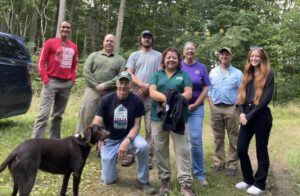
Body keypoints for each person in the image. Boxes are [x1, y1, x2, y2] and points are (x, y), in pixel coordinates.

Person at [92, 71, 156, 194]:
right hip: (109, 139)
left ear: (131, 85)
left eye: (126, 83)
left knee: (143, 146)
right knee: (108, 180)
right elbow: (97, 122)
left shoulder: (137, 100)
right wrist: (98, 139)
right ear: (116, 83)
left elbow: (137, 125)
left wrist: (126, 141)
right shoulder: (106, 99)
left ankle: (142, 180)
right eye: (121, 82)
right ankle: (112, 162)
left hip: (129, 137)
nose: (123, 86)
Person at [149, 48, 195, 196]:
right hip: (159, 118)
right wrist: (167, 100)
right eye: (168, 57)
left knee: (183, 150)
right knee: (160, 149)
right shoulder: (157, 75)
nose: (171, 60)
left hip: (179, 118)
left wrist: (172, 102)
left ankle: (186, 184)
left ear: (178, 60)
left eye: (174, 58)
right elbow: (152, 92)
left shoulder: (184, 75)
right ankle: (165, 181)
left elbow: (187, 94)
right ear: (164, 60)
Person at [235, 47, 274, 195]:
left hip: (261, 118)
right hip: (246, 117)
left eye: (257, 56)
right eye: (252, 56)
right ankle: (248, 179)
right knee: (241, 148)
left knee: (261, 150)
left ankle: (259, 183)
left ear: (262, 58)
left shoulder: (268, 74)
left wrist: (248, 116)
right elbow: (241, 99)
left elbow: (265, 100)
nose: (254, 58)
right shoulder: (247, 74)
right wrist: (241, 113)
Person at [32, 21, 78, 139]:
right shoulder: (50, 43)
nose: (65, 29)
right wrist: (46, 80)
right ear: (59, 29)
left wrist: (72, 80)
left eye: (68, 28)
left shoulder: (74, 46)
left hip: (66, 84)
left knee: (58, 116)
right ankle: (36, 143)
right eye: (63, 27)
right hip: (51, 82)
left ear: (70, 30)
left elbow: (74, 65)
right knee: (43, 115)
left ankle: (55, 142)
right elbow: (41, 62)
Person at [75, 34, 126, 134]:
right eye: (107, 40)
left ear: (115, 44)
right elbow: (86, 71)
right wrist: (96, 85)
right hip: (92, 90)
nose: (109, 43)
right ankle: (79, 139)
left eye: (111, 41)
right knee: (85, 114)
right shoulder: (94, 55)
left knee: (107, 118)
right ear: (103, 42)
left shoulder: (120, 60)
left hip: (110, 92)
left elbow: (120, 76)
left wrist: (105, 85)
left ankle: (103, 145)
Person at [126, 30, 161, 169]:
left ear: (152, 40)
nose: (146, 39)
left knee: (150, 129)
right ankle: (129, 153)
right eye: (144, 37)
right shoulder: (134, 55)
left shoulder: (159, 55)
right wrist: (141, 85)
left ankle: (148, 157)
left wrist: (148, 88)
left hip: (151, 97)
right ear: (140, 39)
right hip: (135, 94)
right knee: (130, 125)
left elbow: (160, 74)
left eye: (149, 37)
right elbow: (129, 73)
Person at [207, 47, 243, 176]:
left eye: (227, 54)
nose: (224, 56)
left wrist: (235, 107)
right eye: (222, 54)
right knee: (218, 137)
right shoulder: (213, 72)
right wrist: (211, 106)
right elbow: (209, 90)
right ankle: (219, 162)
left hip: (231, 108)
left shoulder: (238, 73)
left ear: (230, 56)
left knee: (233, 136)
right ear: (219, 57)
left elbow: (241, 91)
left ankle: (233, 164)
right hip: (216, 107)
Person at [181, 41, 210, 186]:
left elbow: (205, 88)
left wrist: (196, 104)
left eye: (192, 48)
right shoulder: (178, 65)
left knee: (196, 139)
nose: (190, 51)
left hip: (196, 108)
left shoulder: (201, 67)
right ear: (183, 51)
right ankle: (185, 170)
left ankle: (199, 173)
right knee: (182, 141)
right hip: (179, 108)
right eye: (187, 49)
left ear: (195, 51)